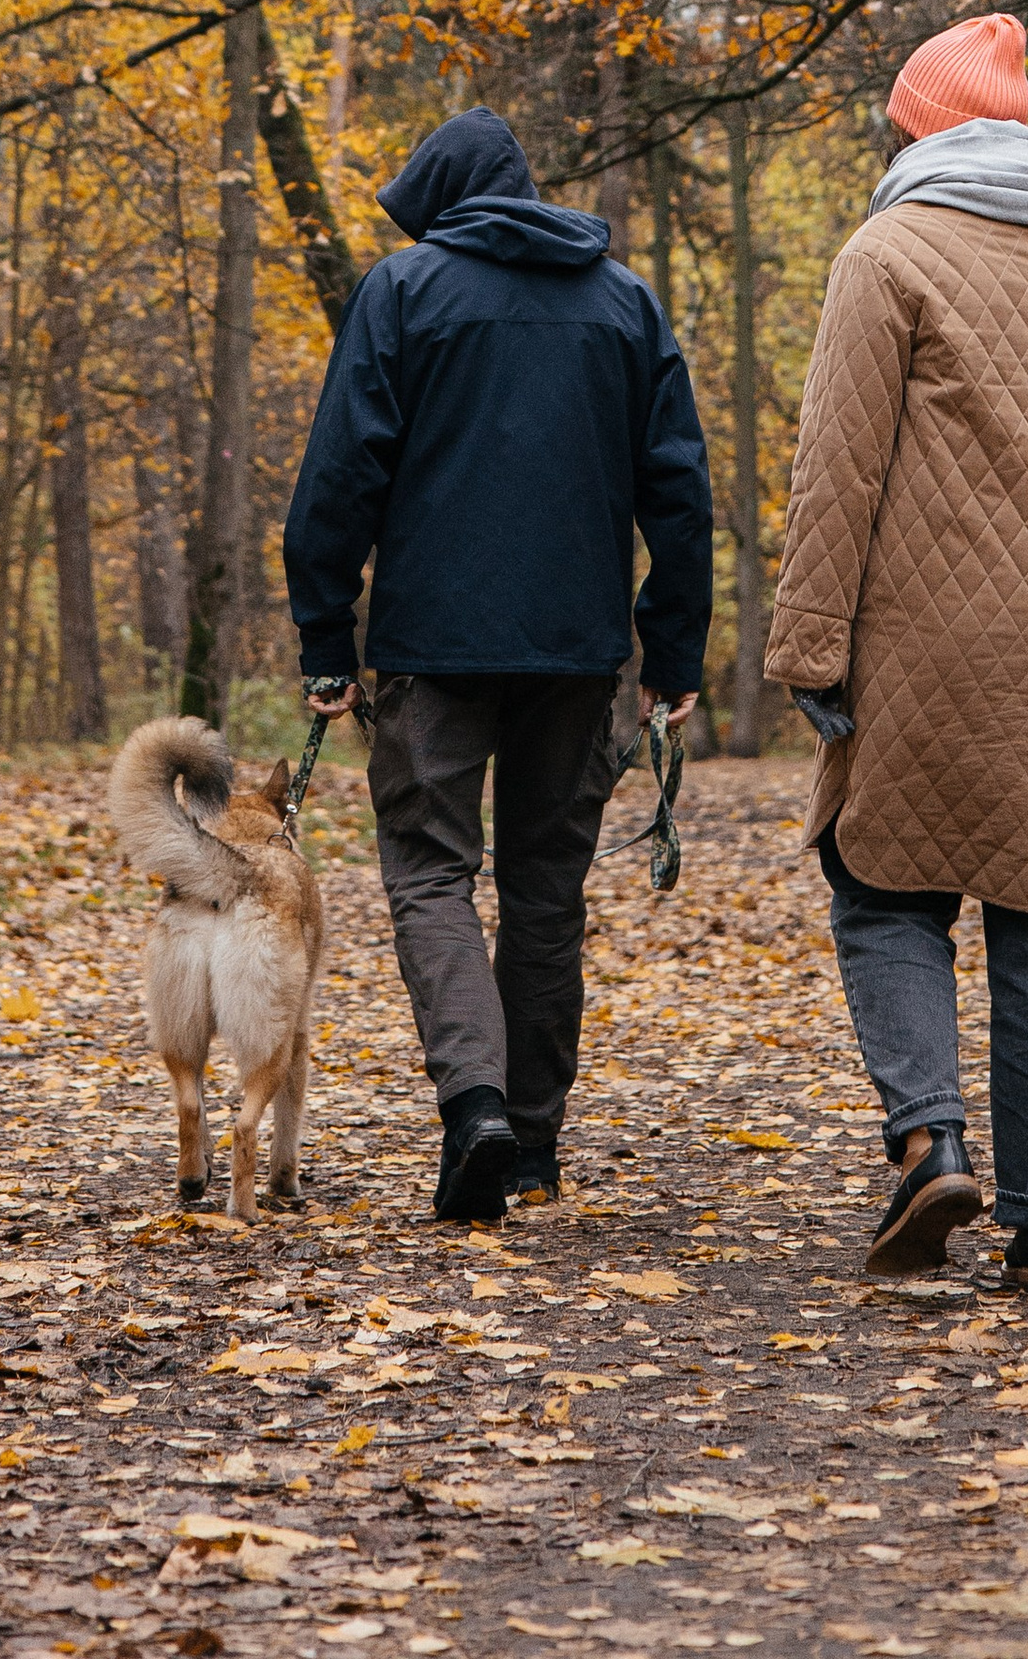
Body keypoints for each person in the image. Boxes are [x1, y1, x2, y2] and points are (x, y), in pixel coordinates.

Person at [765, 11, 1028, 1290]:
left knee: (880, 886)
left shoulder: (886, 254)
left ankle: (929, 1143)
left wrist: (808, 647)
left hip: (920, 641)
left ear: (923, 128)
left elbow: (837, 471)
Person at [283, 106, 713, 1224]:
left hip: (432, 647)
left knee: (428, 872)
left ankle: (474, 1105)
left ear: (450, 204)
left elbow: (340, 476)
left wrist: (326, 639)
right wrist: (671, 653)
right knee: (543, 891)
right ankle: (530, 1147)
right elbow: (678, 489)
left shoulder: (404, 292)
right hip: (576, 652)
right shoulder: (623, 302)